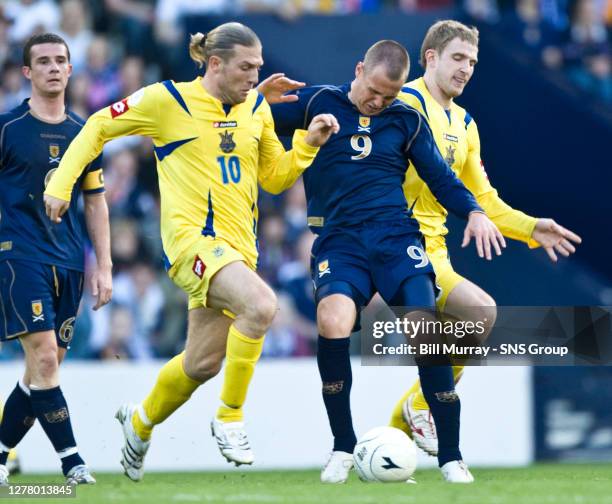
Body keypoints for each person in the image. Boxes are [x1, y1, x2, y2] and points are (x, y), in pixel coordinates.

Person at [43, 22, 338, 481]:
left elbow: (274, 179)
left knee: (201, 363)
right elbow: (99, 124)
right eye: (247, 66)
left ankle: (139, 422)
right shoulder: (168, 101)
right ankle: (231, 417)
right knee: (261, 306)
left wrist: (307, 144)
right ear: (214, 63)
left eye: (258, 66)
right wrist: (63, 182)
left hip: (239, 251)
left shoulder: (255, 107)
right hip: (192, 245)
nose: (255, 75)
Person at [270, 40, 506, 483]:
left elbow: (440, 176)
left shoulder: (407, 120)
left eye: (388, 96)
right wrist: (255, 99)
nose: (378, 102)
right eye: (372, 91)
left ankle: (452, 456)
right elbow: (251, 120)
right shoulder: (318, 101)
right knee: (332, 319)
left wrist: (474, 210)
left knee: (426, 326)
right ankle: (342, 447)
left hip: (396, 238)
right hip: (341, 242)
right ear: (359, 70)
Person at [387, 19, 582, 456]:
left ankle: (401, 423)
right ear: (431, 58)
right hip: (393, 245)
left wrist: (532, 228)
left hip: (432, 251)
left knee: (479, 319)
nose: (466, 69)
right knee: (467, 318)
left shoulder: (465, 124)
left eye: (472, 61)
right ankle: (414, 412)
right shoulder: (402, 104)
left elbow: (485, 202)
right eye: (458, 58)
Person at [0, 33, 112, 486]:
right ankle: (73, 461)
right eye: (42, 61)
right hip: (18, 256)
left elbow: (96, 202)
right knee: (45, 358)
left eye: (60, 61)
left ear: (70, 70)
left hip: (68, 262)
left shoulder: (84, 134)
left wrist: (103, 265)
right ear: (27, 72)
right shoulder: (7, 129)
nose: (52, 67)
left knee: (43, 369)